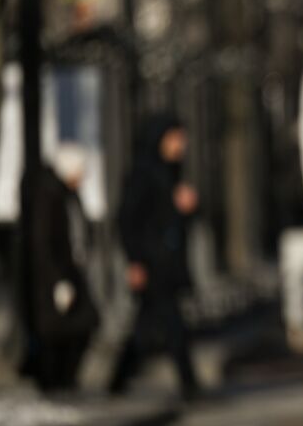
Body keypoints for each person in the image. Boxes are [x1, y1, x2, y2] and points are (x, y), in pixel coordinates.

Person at [109, 113, 201, 400]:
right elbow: (128, 219)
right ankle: (189, 383)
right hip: (153, 262)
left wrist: (186, 208)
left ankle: (118, 380)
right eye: (176, 138)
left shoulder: (171, 172)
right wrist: (135, 260)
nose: (181, 145)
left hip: (166, 261)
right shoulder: (145, 173)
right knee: (171, 324)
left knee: (146, 326)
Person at [27, 143, 101, 391]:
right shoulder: (49, 195)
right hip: (56, 275)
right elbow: (43, 241)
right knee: (58, 331)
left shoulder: (70, 195)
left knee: (81, 324)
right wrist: (57, 279)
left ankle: (64, 380)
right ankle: (54, 381)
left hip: (72, 269)